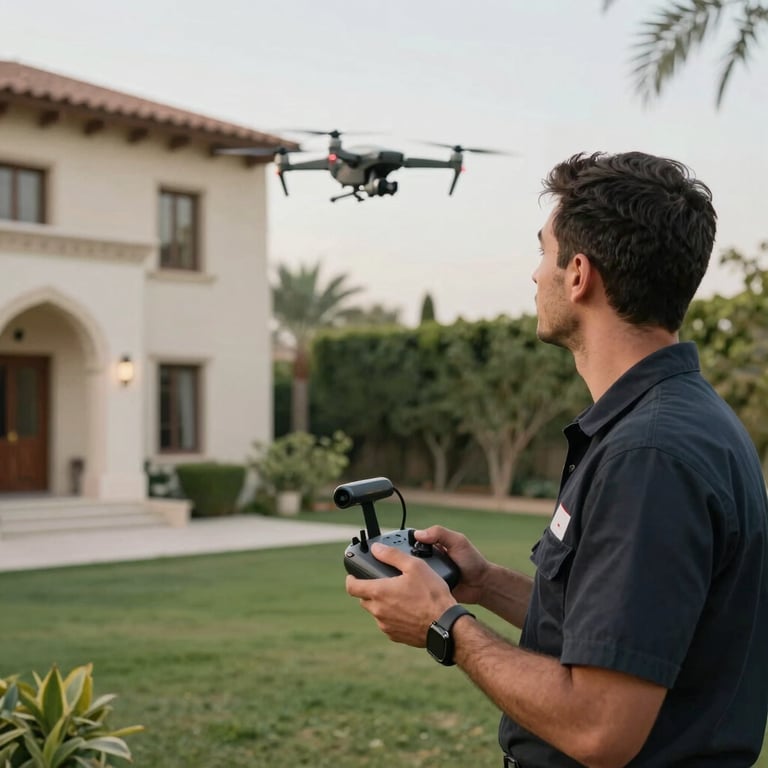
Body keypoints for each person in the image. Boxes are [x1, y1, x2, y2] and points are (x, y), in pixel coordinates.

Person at [346, 151, 768, 767]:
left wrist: (445, 625)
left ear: (578, 274)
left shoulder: (648, 456)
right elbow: (623, 637)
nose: (534, 275)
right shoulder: (681, 421)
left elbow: (601, 727)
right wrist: (483, 583)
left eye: (543, 253)